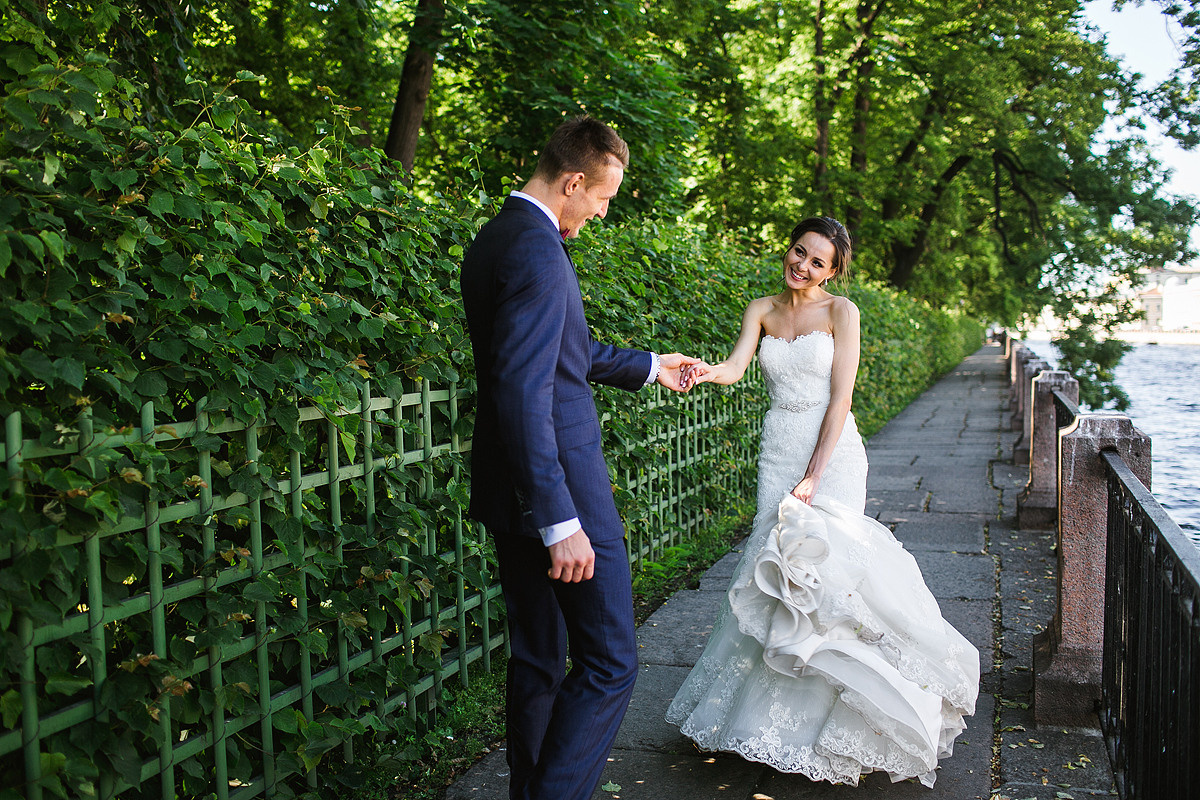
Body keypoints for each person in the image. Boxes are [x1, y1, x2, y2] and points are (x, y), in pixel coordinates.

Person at [666, 216, 979, 787]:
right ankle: (766, 723)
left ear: (832, 271)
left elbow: (841, 399)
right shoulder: (761, 309)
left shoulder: (842, 312)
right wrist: (703, 372)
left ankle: (844, 722)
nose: (803, 266)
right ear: (787, 249)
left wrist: (813, 474)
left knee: (829, 576)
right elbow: (735, 367)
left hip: (831, 454)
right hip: (778, 448)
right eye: (799, 252)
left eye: (817, 262)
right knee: (772, 571)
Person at [460, 116, 700, 800]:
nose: (601, 212)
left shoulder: (498, 237)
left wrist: (649, 366)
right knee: (610, 662)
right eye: (601, 197)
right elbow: (522, 391)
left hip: (510, 489)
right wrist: (560, 519)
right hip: (560, 491)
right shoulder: (538, 253)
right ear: (572, 182)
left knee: (539, 658)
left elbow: (559, 352)